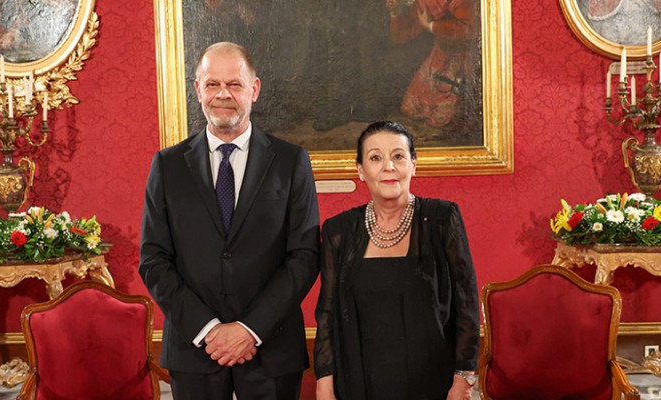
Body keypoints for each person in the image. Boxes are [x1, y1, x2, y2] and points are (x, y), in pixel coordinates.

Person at [139, 41, 320, 399]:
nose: (223, 94)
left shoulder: (290, 161)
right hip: (195, 350)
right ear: (198, 90)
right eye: (212, 84)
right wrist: (209, 330)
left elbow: (304, 256)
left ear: (254, 89)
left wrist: (249, 329)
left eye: (234, 84)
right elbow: (154, 260)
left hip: (271, 348)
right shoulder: (168, 165)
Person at [313, 120, 479, 400]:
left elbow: (467, 303)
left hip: (433, 382)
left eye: (398, 156)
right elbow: (327, 312)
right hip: (358, 383)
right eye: (376, 158)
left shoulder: (441, 218)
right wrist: (324, 383)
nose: (388, 166)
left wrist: (463, 379)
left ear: (414, 164)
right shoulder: (338, 230)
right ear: (361, 170)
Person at [385, 0, 478, 129]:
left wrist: (431, 26)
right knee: (411, 108)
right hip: (440, 55)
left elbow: (471, 29)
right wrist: (396, 12)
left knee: (447, 118)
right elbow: (404, 34)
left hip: (466, 58)